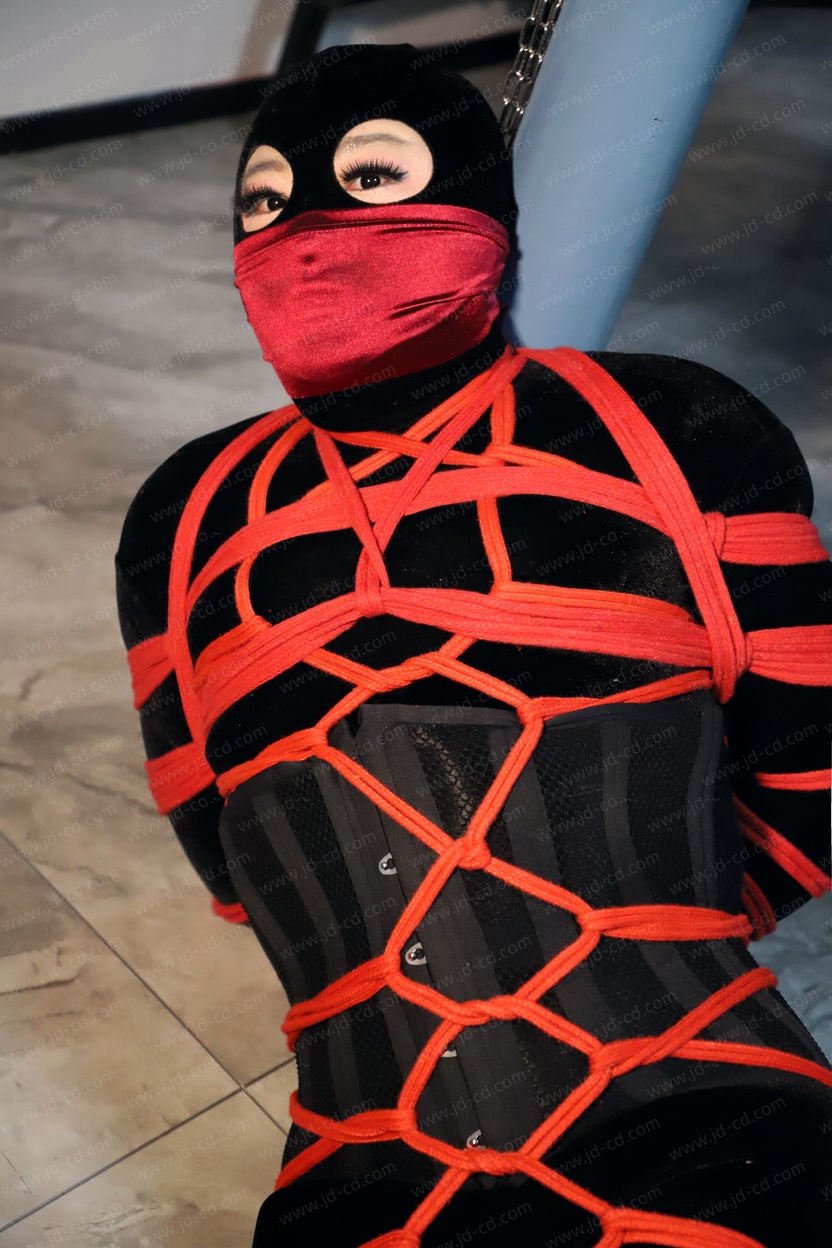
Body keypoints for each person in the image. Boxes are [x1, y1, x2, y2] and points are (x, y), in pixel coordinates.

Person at [116, 44, 832, 1248]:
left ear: (483, 209)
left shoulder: (680, 429)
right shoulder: (178, 520)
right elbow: (233, 856)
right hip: (361, 1168)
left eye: (372, 178)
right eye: (265, 202)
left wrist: (663, 924)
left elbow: (810, 777)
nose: (308, 233)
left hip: (709, 1120)